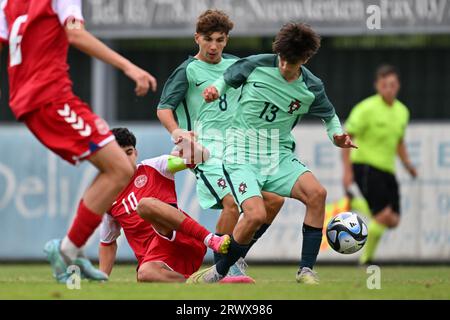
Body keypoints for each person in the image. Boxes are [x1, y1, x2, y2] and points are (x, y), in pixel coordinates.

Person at [0, 0, 157, 282]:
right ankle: (68, 251)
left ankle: (71, 249)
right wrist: (128, 67)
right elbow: (75, 34)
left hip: (32, 101)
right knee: (121, 169)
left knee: (116, 168)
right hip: (50, 98)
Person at [188, 22, 357, 284]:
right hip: (241, 151)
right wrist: (215, 90)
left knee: (317, 194)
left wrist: (337, 136)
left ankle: (306, 270)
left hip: (277, 153)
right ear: (279, 53)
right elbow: (226, 79)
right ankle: (219, 272)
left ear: (306, 59)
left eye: (293, 62)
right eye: (283, 60)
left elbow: (330, 116)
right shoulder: (256, 64)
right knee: (255, 214)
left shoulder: (311, 87)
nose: (285, 67)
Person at [157, 9, 284, 282]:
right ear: (197, 38)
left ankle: (234, 257)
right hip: (203, 151)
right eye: (208, 39)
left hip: (237, 149)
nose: (213, 46)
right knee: (231, 204)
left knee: (274, 200)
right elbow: (164, 109)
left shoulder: (237, 66)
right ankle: (223, 270)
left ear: (226, 40)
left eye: (220, 39)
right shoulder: (188, 70)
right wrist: (177, 132)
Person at [98, 128, 230, 282]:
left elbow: (201, 156)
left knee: (144, 205)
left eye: (129, 152)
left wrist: (186, 142)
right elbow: (107, 243)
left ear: (136, 152)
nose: (127, 160)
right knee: (144, 274)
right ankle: (201, 282)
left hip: (184, 240)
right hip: (159, 260)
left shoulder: (155, 166)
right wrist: (102, 278)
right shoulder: (107, 198)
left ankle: (211, 239)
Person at [342, 65, 417, 265]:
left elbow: (399, 142)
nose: (389, 89)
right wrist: (347, 170)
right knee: (383, 215)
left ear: (398, 85)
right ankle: (366, 260)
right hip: (365, 166)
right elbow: (347, 136)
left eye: (392, 85)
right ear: (377, 86)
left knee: (393, 220)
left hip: (387, 169)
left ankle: (356, 204)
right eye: (385, 85)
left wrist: (408, 165)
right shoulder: (366, 108)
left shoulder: (402, 111)